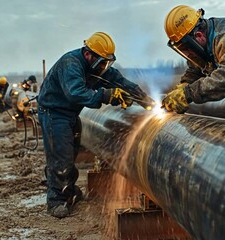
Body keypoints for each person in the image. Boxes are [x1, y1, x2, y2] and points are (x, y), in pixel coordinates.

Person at [37, 32, 154, 219]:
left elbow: (121, 82)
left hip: (70, 114)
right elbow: (75, 93)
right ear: (88, 54)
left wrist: (145, 100)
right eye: (101, 62)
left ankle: (69, 190)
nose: (104, 67)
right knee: (61, 157)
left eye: (107, 63)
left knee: (71, 152)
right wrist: (106, 95)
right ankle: (56, 200)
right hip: (54, 113)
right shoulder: (71, 64)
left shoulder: (99, 67)